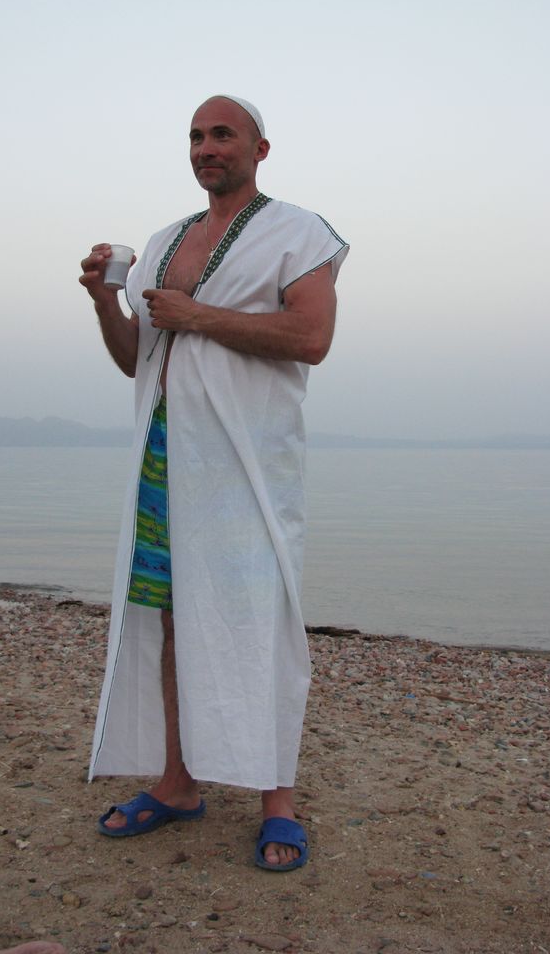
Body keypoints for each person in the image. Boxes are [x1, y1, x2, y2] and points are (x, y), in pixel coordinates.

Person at [79, 95, 348, 871]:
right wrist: (105, 299)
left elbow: (312, 336)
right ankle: (178, 784)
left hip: (247, 463)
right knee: (172, 617)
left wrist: (197, 315)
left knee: (259, 619)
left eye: (222, 134)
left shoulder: (299, 232)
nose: (206, 147)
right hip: (165, 455)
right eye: (196, 136)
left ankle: (277, 801)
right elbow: (136, 356)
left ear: (260, 149)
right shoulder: (164, 242)